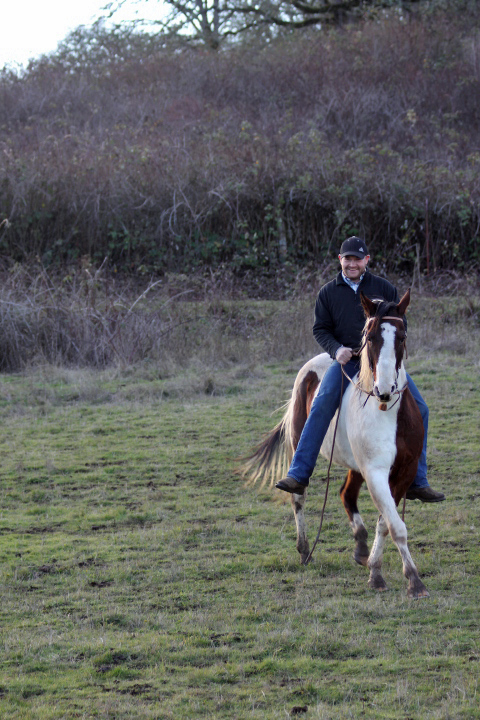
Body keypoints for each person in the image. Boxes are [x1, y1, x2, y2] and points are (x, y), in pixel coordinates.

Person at [275, 236, 445, 503]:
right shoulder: (328, 293)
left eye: (357, 259)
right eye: (347, 259)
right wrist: (336, 350)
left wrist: (388, 351)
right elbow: (320, 329)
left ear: (366, 260)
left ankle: (418, 481)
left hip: (379, 362)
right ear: (340, 260)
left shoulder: (384, 288)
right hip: (349, 361)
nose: (352, 264)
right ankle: (299, 473)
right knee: (321, 404)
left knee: (421, 409)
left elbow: (401, 324)